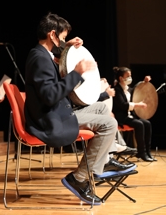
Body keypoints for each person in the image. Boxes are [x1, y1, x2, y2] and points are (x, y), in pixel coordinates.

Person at [24, 12, 136, 205]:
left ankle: (104, 159)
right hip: (51, 120)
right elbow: (50, 96)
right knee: (109, 124)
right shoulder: (40, 58)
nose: (63, 41)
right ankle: (79, 178)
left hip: (58, 113)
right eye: (63, 37)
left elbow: (55, 67)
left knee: (101, 108)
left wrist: (67, 49)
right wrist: (77, 72)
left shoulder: (44, 55)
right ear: (52, 34)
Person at [112, 66, 155, 162]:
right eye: (127, 76)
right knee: (139, 124)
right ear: (120, 78)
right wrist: (137, 105)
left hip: (130, 116)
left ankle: (148, 152)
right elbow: (123, 105)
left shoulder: (128, 89)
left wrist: (144, 82)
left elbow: (137, 89)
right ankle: (141, 152)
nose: (129, 78)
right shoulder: (116, 90)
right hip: (121, 118)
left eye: (130, 75)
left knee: (147, 123)